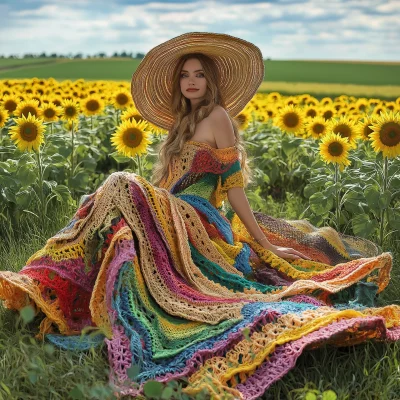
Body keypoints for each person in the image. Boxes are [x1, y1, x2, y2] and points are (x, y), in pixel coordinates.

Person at [0, 32, 399, 400]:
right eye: (185, 75)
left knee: (121, 181)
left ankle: (43, 278)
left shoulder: (219, 118)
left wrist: (263, 242)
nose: (191, 81)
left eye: (199, 75)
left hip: (201, 221)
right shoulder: (179, 125)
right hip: (169, 214)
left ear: (210, 81)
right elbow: (168, 187)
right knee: (116, 227)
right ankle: (45, 288)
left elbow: (235, 189)